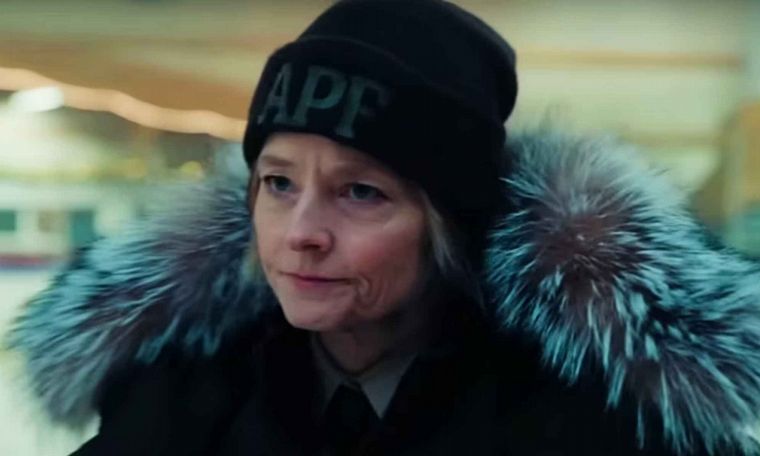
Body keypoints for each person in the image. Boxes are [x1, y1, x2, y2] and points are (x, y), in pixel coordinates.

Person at [6, 0, 760, 454]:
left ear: (450, 224)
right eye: (278, 183)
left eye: (361, 192)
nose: (301, 232)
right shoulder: (177, 397)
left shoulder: (607, 421)